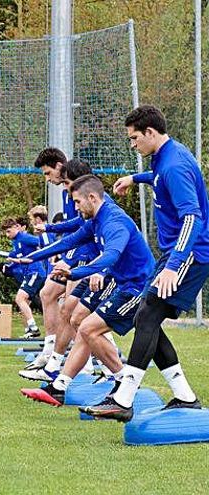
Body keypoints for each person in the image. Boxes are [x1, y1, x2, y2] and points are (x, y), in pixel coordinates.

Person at [82, 105, 207, 421]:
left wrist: (173, 264)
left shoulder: (175, 164)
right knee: (145, 315)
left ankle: (123, 399)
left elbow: (192, 216)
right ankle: (184, 396)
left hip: (190, 253)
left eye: (135, 138)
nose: (133, 144)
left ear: (150, 133)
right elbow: (158, 177)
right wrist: (134, 178)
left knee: (148, 312)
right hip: (177, 253)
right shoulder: (164, 158)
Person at [14, 175, 154, 405]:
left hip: (139, 288)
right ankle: (60, 386)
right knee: (84, 326)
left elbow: (112, 254)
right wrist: (31, 258)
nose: (75, 207)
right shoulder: (95, 220)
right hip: (122, 283)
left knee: (88, 328)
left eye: (78, 202)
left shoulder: (114, 221)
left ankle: (123, 381)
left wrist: (76, 273)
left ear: (91, 197)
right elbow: (66, 242)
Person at [24, 158, 101, 369]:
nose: (48, 179)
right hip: (77, 255)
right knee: (51, 296)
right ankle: (53, 355)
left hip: (90, 259)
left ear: (60, 167)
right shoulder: (73, 193)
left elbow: (92, 236)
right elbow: (78, 229)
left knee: (74, 313)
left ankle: (80, 366)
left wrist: (84, 264)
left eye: (49, 173)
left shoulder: (91, 198)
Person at [0, 217, 46, 338]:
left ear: (16, 227)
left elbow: (43, 243)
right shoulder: (16, 242)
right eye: (5, 232)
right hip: (28, 273)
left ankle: (34, 328)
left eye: (8, 231)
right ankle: (29, 331)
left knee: (19, 299)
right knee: (23, 304)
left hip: (35, 272)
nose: (7, 234)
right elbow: (12, 256)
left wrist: (43, 252)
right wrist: (5, 261)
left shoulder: (25, 237)